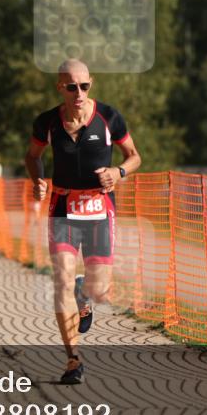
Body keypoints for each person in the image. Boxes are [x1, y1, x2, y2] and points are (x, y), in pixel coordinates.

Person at [25, 59, 141, 384]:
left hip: (99, 208)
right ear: (60, 87)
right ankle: (73, 360)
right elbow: (32, 156)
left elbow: (134, 156)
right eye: (71, 87)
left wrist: (118, 172)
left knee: (100, 289)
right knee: (60, 278)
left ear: (91, 83)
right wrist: (38, 180)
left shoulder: (109, 117)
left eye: (84, 86)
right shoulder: (47, 122)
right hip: (62, 205)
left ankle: (85, 295)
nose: (79, 93)